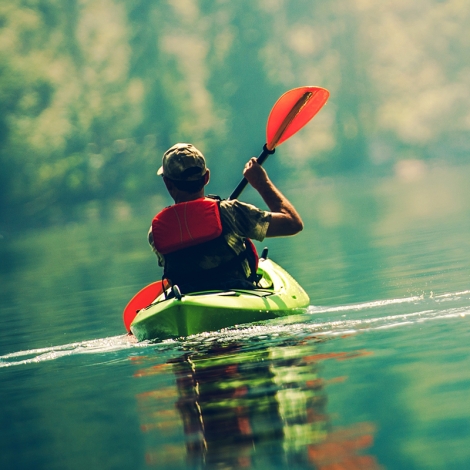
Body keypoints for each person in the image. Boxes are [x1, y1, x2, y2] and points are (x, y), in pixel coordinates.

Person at [148, 143, 303, 293]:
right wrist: (261, 182)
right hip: (239, 292)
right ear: (206, 177)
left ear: (167, 183)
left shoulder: (157, 232)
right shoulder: (230, 212)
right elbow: (292, 223)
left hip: (187, 297)